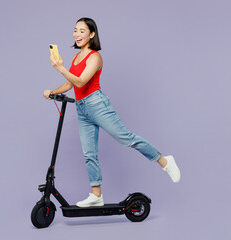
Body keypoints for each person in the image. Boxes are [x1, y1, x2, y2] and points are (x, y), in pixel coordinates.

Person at [43, 17, 181, 208]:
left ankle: (165, 161)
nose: (77, 34)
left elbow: (81, 81)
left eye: (82, 31)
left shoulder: (95, 57)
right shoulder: (76, 58)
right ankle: (96, 195)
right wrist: (53, 92)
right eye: (75, 30)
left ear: (92, 34)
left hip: (97, 105)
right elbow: (70, 83)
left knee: (126, 138)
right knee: (89, 153)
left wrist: (60, 68)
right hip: (82, 108)